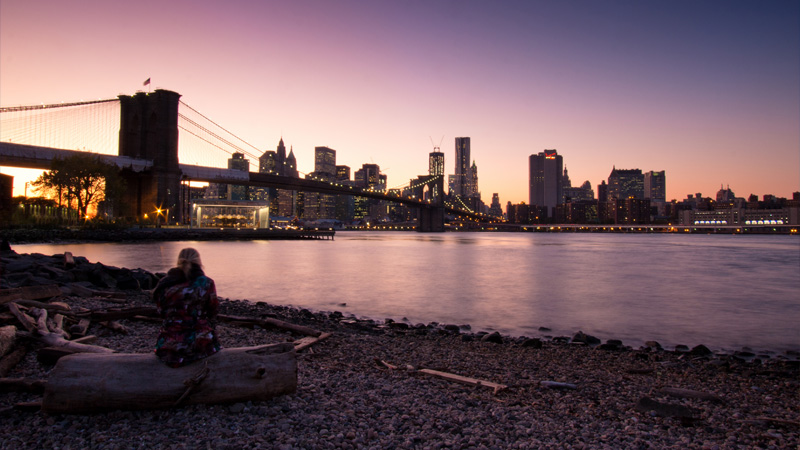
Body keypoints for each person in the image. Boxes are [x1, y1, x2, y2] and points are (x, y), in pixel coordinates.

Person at [152, 248, 221, 367]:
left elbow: (161, 311)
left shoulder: (165, 283)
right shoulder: (207, 283)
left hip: (169, 344)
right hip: (200, 343)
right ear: (199, 261)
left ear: (178, 261)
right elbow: (213, 310)